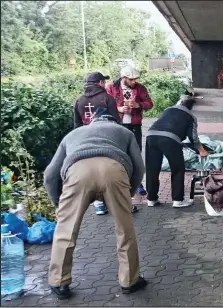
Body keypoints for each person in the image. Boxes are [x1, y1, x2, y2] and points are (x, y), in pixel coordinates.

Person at [43, 108, 147, 300]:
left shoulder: (73, 134)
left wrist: (58, 203)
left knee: (66, 230)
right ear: (114, 121)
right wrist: (127, 194)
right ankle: (130, 281)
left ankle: (60, 282)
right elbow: (139, 168)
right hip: (114, 171)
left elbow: (50, 174)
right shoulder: (124, 132)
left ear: (93, 121)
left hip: (77, 172)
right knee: (125, 229)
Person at [72, 72, 134, 215]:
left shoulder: (79, 100)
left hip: (86, 142)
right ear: (100, 83)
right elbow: (116, 123)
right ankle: (120, 205)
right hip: (108, 142)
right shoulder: (107, 98)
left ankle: (99, 204)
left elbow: (76, 126)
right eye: (103, 82)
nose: (105, 84)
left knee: (92, 172)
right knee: (113, 172)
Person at [144, 96, 208, 208]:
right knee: (177, 169)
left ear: (180, 102)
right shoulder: (191, 117)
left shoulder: (168, 109)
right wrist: (201, 150)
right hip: (170, 139)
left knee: (152, 169)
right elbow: (193, 137)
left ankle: (151, 199)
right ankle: (178, 200)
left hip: (151, 136)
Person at [106, 65, 153, 197]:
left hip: (135, 125)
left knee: (136, 154)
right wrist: (119, 109)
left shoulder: (140, 87)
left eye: (135, 79)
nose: (134, 81)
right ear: (124, 78)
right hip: (117, 125)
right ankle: (121, 184)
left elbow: (149, 103)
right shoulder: (111, 87)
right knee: (119, 154)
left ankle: (137, 183)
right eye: (131, 79)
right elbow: (105, 103)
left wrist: (139, 105)